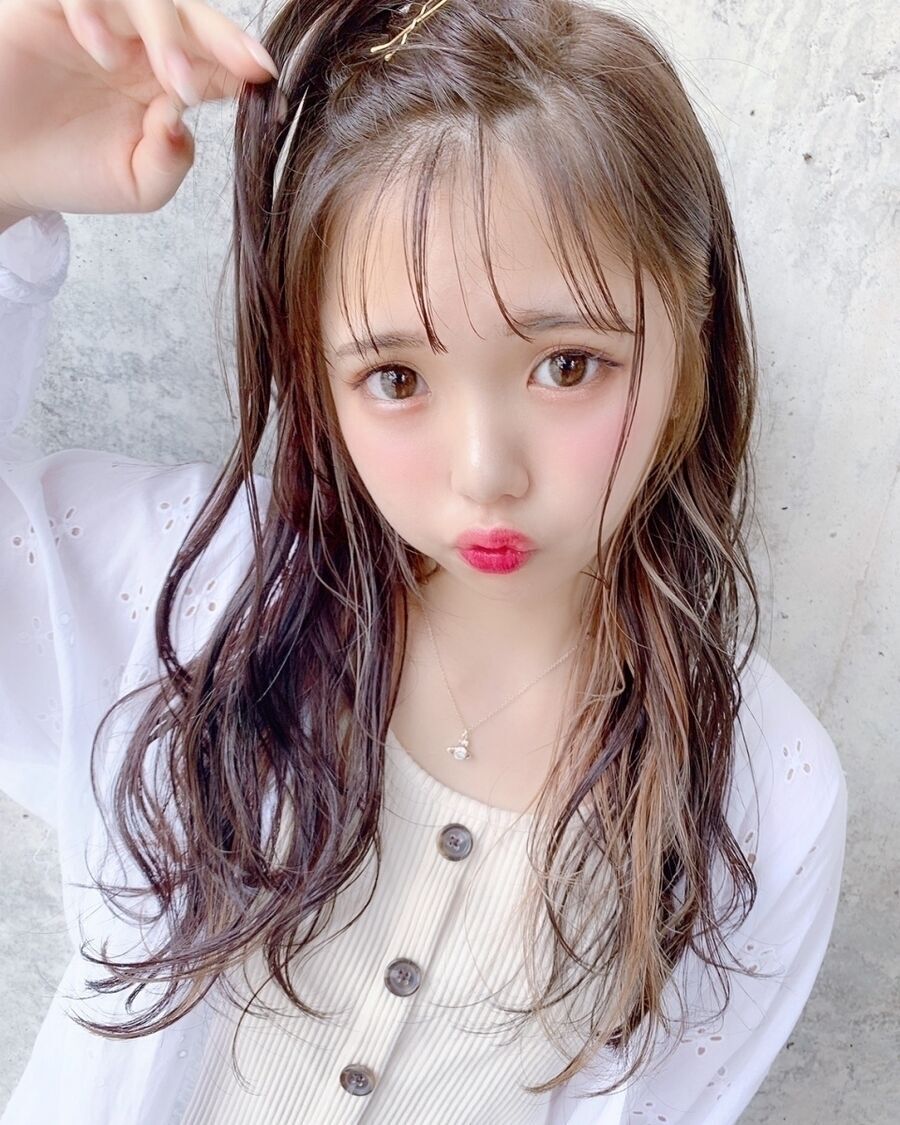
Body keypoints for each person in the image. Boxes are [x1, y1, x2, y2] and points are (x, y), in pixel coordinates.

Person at [0, 0, 848, 1122]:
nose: (485, 472)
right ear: (317, 375)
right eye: (396, 378)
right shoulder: (183, 588)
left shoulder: (764, 795)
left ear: (691, 341)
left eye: (568, 365)